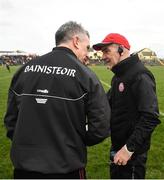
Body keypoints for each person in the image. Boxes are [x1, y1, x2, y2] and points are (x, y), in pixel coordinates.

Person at [4, 21, 111, 179]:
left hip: (24, 167)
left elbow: (11, 121)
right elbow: (100, 127)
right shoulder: (85, 75)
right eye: (86, 47)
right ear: (76, 41)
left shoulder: (24, 70)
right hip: (66, 167)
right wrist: (76, 141)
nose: (87, 54)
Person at [93, 33, 160, 179]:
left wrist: (128, 149)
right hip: (117, 147)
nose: (103, 56)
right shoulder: (118, 76)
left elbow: (150, 117)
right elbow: (104, 103)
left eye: (106, 51)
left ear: (121, 50)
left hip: (131, 154)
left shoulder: (140, 75)